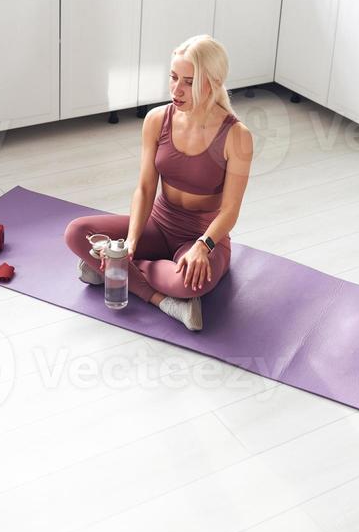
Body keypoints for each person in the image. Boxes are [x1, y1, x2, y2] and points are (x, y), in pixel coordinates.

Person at [63, 34, 253, 331]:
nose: (177, 89)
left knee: (189, 283)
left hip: (201, 237)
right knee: (77, 232)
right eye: (173, 77)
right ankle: (161, 300)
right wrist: (133, 241)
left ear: (213, 83)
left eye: (189, 82)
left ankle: (113, 269)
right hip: (158, 224)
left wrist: (203, 247)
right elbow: (145, 188)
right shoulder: (156, 119)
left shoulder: (237, 136)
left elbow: (230, 210)